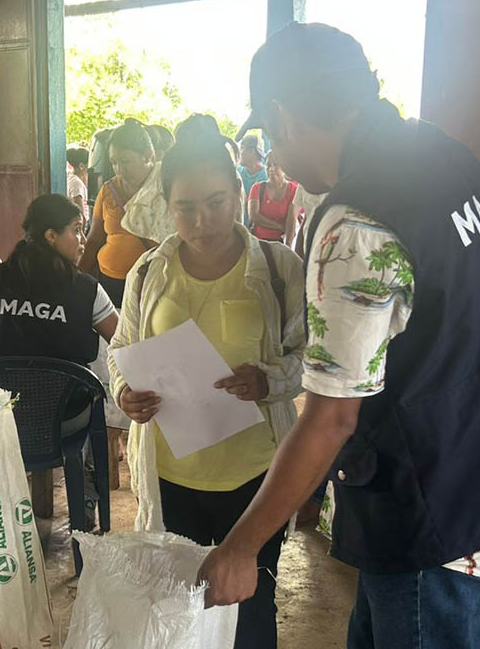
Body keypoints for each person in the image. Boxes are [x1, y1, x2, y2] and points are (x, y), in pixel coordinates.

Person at [196, 22, 480, 649]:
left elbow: (331, 418)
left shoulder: (355, 224)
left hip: (432, 505)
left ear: (284, 116)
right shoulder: (441, 152)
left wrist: (242, 546)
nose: (275, 154)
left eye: (269, 135)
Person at [107, 133, 305, 649]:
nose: (202, 221)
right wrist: (126, 391)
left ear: (238, 192)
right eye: (186, 208)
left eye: (216, 203)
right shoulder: (149, 271)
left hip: (255, 475)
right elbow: (121, 347)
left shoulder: (279, 268)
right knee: (179, 608)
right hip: (173, 475)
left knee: (252, 607)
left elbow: (310, 358)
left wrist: (269, 380)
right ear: (167, 207)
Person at [0, 193, 118, 362]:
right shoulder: (87, 290)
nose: (83, 240)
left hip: (0, 381)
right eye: (77, 230)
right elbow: (123, 343)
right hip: (65, 381)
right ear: (51, 236)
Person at [79, 120, 158, 307]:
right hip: (109, 281)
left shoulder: (164, 188)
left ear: (147, 155)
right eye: (114, 162)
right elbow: (94, 240)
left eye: (125, 161)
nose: (119, 169)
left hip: (149, 283)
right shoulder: (109, 190)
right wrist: (77, 278)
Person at [248, 151, 299, 245]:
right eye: (268, 165)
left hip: (280, 242)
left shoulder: (293, 190)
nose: (271, 169)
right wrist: (279, 226)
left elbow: (291, 222)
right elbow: (254, 216)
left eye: (275, 165)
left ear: (284, 167)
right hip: (258, 242)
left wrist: (287, 246)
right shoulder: (257, 188)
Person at [66, 146, 90, 229]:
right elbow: (80, 214)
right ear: (81, 166)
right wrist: (81, 234)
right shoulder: (76, 183)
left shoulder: (73, 179)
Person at [237, 132, 267, 199]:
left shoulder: (266, 177)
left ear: (252, 151)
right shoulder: (237, 172)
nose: (239, 153)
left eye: (241, 148)